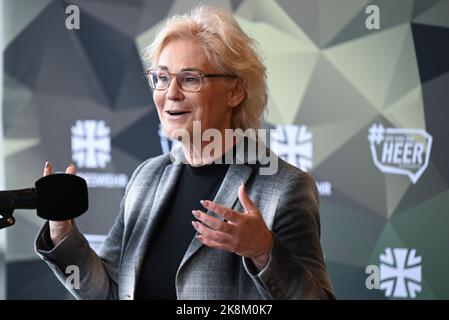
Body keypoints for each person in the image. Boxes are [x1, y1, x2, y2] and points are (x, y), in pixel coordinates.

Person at [35, 5, 335, 300]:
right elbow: (110, 291)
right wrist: (62, 231)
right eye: (162, 78)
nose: (171, 93)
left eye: (190, 79)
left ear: (235, 91)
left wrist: (263, 251)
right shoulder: (147, 177)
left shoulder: (282, 187)